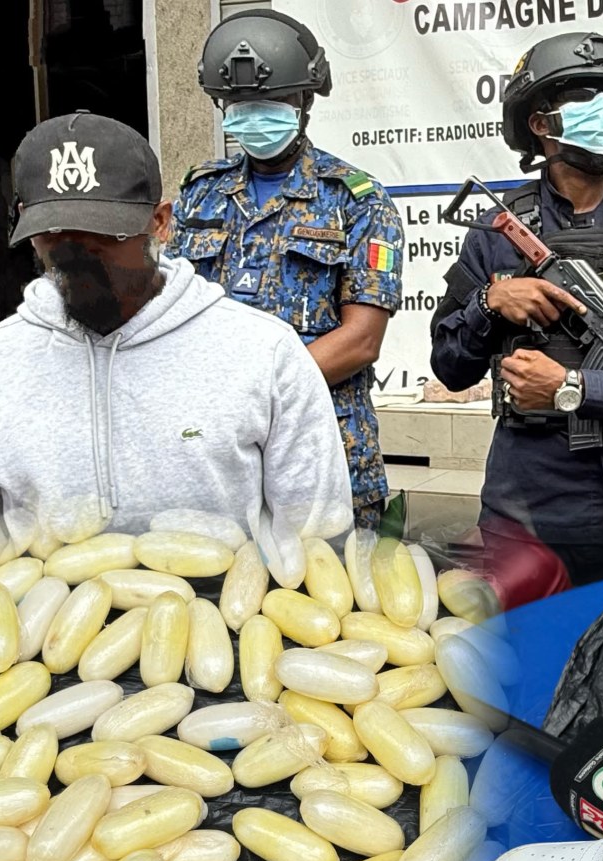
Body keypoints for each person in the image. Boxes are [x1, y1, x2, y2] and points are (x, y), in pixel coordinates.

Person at [0, 111, 353, 574]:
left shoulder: (264, 354)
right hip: (41, 614)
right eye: (55, 233)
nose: (77, 253)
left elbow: (318, 543)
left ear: (160, 222)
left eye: (105, 232)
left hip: (227, 613)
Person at [430, 32, 603, 588]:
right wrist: (490, 303)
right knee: (526, 639)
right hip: (523, 507)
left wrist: (574, 387)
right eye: (583, 96)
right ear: (539, 123)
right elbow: (450, 368)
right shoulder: (499, 232)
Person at [166, 10, 404, 533]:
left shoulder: (356, 200)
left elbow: (362, 340)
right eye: (240, 108)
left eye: (269, 106)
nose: (254, 119)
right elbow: (171, 311)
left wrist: (252, 396)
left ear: (304, 103)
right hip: (214, 454)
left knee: (332, 581)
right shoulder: (200, 194)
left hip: (324, 447)